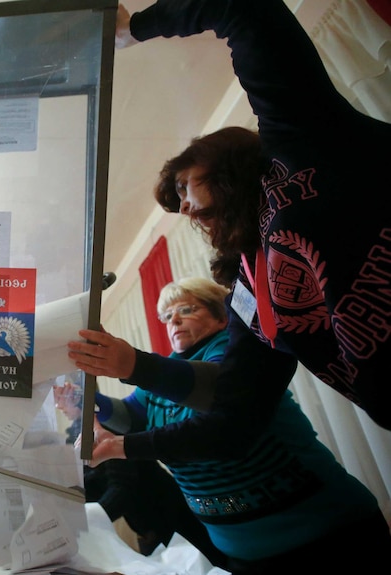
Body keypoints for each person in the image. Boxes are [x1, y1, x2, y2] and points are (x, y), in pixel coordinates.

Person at [71, 0, 391, 469]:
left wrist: (131, 28)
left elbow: (248, 10)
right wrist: (121, 441)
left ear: (223, 160)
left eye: (184, 186)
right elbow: (236, 413)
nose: (183, 207)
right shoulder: (251, 288)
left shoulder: (301, 141)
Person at [79, 277, 391, 573]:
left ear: (219, 317)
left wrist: (132, 364)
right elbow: (130, 416)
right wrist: (89, 401)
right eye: (167, 315)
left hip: (325, 537)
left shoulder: (233, 350)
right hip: (243, 555)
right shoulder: (164, 369)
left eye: (186, 309)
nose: (173, 320)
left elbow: (224, 397)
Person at [53, 376, 226, 564]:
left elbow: (121, 489)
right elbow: (92, 485)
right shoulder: (75, 435)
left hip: (167, 514)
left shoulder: (108, 427)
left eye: (62, 396)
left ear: (78, 393)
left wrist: (87, 521)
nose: (58, 406)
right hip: (146, 524)